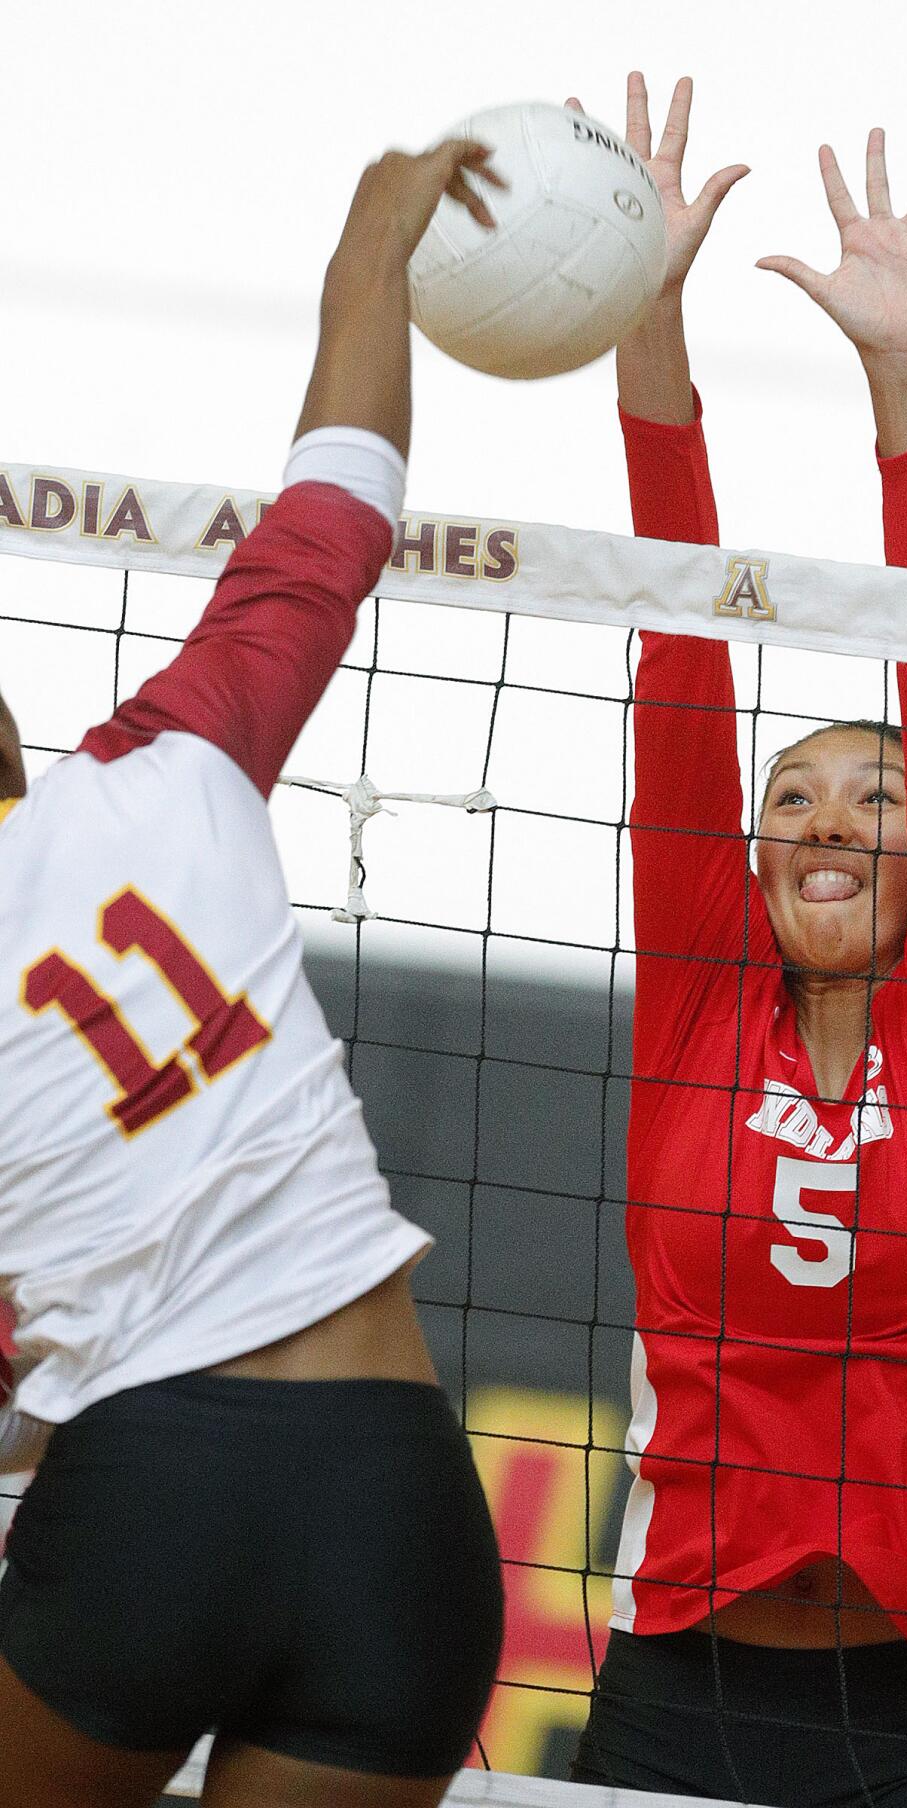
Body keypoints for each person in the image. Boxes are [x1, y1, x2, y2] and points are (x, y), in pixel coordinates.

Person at [0, 142, 505, 1808]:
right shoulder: (173, 767)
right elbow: (339, 498)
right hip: (408, 1509)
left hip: (162, 1491)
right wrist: (376, 238)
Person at [569, 76, 907, 1807]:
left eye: (876, 799)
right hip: (672, 1696)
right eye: (797, 796)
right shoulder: (701, 1004)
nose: (831, 819)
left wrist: (901, 385)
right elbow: (677, 656)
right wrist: (648, 333)